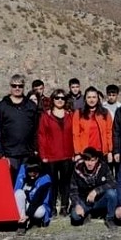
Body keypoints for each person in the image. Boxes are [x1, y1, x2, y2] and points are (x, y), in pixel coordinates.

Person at [0, 74, 39, 180]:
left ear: (24, 87)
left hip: (27, 154)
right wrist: (0, 154)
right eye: (14, 86)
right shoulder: (1, 106)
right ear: (10, 86)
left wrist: (35, 148)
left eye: (20, 86)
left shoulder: (31, 106)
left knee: (26, 183)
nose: (17, 88)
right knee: (9, 183)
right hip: (9, 154)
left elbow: (36, 129)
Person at [37, 89, 74, 217]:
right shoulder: (46, 116)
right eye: (57, 98)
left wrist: (74, 153)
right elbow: (41, 136)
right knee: (53, 183)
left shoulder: (70, 115)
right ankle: (52, 206)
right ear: (53, 99)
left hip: (67, 154)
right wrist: (43, 155)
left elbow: (74, 135)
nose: (60, 100)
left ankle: (64, 206)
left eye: (62, 98)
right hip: (51, 155)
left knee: (65, 182)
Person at [68, 147, 118, 227]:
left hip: (99, 200)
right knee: (75, 217)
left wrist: (96, 191)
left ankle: (110, 218)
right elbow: (73, 191)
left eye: (92, 160)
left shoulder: (103, 167)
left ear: (96, 160)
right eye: (87, 160)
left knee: (112, 193)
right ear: (83, 160)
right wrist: (77, 205)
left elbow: (113, 183)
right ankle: (88, 213)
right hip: (84, 201)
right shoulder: (77, 170)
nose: (90, 163)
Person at [72, 87, 113, 163]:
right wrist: (77, 153)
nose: (92, 100)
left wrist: (110, 151)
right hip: (85, 152)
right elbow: (75, 134)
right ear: (85, 99)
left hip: (101, 152)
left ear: (97, 99)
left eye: (94, 97)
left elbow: (109, 132)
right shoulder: (79, 113)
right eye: (89, 97)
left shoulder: (105, 113)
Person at [13, 160, 53, 235]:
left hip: (39, 205)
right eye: (29, 172)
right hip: (27, 204)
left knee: (40, 213)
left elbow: (37, 200)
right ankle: (22, 224)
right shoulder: (23, 176)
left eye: (35, 172)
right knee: (18, 193)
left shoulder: (45, 180)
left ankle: (30, 220)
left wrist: (28, 215)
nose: (32, 175)